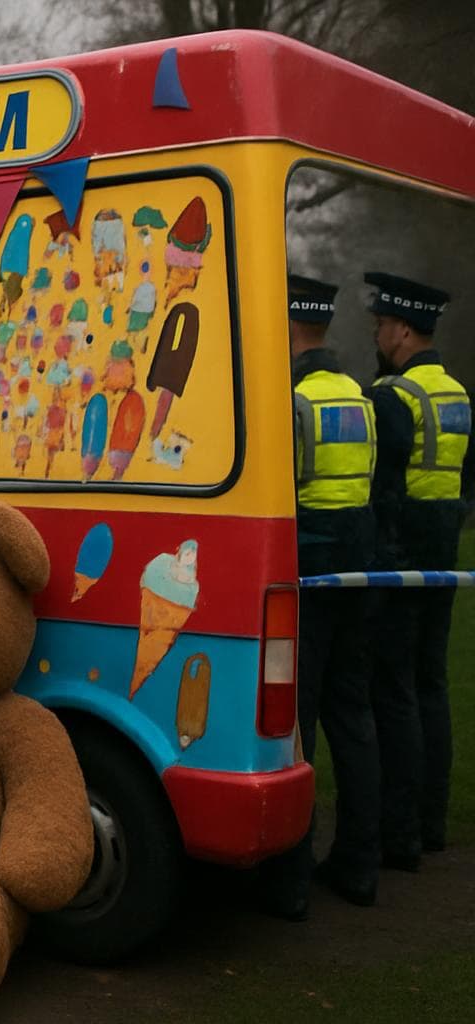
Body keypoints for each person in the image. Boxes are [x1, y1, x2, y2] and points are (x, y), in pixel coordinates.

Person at [258, 275, 380, 920]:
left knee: (295, 724)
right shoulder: (360, 398)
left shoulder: (292, 400)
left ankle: (290, 880)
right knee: (352, 717)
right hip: (357, 573)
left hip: (308, 571)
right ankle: (361, 864)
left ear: (288, 328)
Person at [363, 271, 474, 872]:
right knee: (431, 684)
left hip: (400, 555)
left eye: (382, 325)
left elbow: (382, 484)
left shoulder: (393, 396)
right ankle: (431, 822)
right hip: (444, 551)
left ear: (403, 330)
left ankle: (397, 829)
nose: (379, 334)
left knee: (395, 690)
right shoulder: (459, 393)